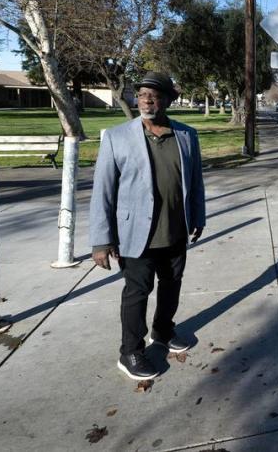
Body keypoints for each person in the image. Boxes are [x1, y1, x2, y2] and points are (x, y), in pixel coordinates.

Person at [89, 71, 206, 381]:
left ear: (168, 100)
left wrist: (198, 216)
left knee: (172, 285)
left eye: (155, 95)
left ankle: (163, 331)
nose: (147, 99)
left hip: (176, 230)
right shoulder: (117, 137)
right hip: (135, 236)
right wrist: (101, 241)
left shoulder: (186, 135)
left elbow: (195, 183)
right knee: (137, 292)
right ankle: (130, 351)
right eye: (142, 94)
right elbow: (103, 191)